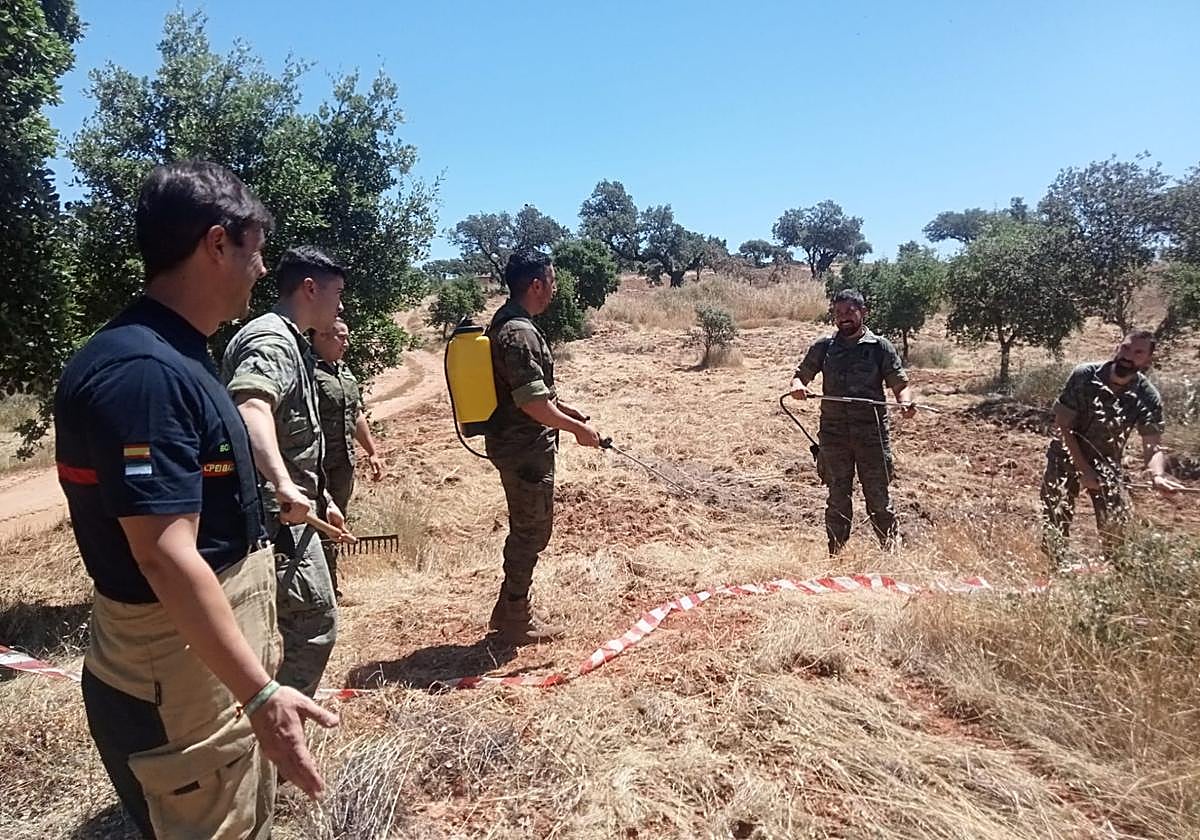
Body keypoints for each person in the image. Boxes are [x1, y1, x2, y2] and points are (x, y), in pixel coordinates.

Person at [54, 161, 337, 840]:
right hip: (179, 679)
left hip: (201, 667)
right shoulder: (144, 374)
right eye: (254, 249)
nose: (261, 268)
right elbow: (163, 554)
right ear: (217, 244)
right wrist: (261, 694)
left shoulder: (178, 354)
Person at [221, 246, 347, 697]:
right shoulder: (271, 341)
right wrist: (283, 484)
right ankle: (276, 739)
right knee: (315, 624)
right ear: (310, 288)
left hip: (294, 508)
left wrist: (323, 497)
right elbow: (251, 408)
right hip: (276, 518)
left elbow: (296, 437)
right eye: (337, 294)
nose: (341, 306)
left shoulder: (294, 342)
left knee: (281, 627)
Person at [485, 250, 601, 643]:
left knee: (529, 528)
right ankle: (515, 618)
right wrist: (574, 430)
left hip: (518, 444)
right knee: (531, 532)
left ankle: (507, 609)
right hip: (524, 450)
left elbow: (532, 392)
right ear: (536, 284)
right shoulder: (519, 332)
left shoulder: (510, 324)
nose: (554, 289)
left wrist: (564, 410)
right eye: (551, 281)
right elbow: (531, 404)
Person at [1040, 329, 1184, 565]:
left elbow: (1153, 446)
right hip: (1064, 457)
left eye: (1138, 352)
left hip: (1107, 465)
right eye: (1126, 348)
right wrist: (1083, 469)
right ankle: (1051, 575)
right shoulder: (1085, 375)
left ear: (1147, 360)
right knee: (1054, 521)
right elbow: (1063, 426)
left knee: (1115, 530)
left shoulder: (1148, 395)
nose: (1128, 355)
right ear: (1117, 347)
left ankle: (1115, 577)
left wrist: (1157, 476)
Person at [790, 288, 915, 555]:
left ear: (863, 312)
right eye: (838, 313)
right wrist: (798, 387)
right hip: (833, 436)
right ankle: (836, 555)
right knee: (837, 498)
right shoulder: (824, 347)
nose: (843, 318)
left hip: (871, 436)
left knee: (879, 500)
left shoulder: (880, 347)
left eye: (849, 312)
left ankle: (891, 554)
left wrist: (905, 402)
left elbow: (900, 384)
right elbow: (801, 376)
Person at [312, 318, 385, 595]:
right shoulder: (307, 372)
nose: (347, 343)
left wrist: (373, 452)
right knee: (315, 524)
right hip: (315, 466)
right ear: (321, 335)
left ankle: (331, 587)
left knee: (336, 522)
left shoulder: (343, 371)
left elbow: (355, 414)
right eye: (341, 337)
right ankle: (320, 589)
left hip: (343, 465)